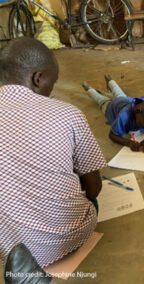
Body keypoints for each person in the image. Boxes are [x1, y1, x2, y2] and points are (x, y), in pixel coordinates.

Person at [0, 38, 107, 268]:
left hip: (5, 248)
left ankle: (20, 263)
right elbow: (94, 188)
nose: (52, 89)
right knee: (89, 199)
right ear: (38, 78)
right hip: (66, 238)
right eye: (53, 81)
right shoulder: (67, 114)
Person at [82, 75, 144, 153]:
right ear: (137, 112)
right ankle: (89, 90)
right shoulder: (123, 117)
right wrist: (129, 143)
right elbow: (112, 135)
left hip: (124, 100)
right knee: (102, 101)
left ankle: (110, 81)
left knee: (119, 93)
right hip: (110, 108)